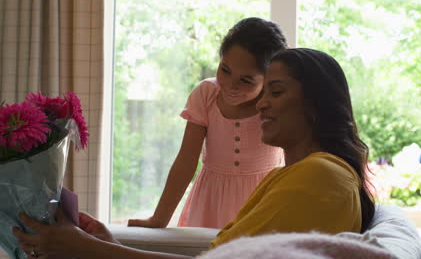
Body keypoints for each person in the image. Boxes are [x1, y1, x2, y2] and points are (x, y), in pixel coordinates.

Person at [13, 48, 375, 259]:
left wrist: (89, 250)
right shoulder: (298, 175)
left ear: (315, 104)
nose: (261, 104)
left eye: (275, 92)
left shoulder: (321, 177)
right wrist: (103, 243)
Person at [129, 17, 287, 229]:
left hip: (262, 200)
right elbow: (186, 160)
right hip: (211, 201)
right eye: (225, 70)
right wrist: (159, 219)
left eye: (246, 80)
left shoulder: (277, 104)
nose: (230, 85)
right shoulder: (206, 94)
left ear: (267, 79)